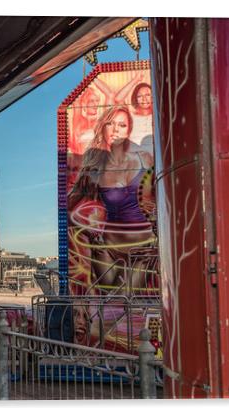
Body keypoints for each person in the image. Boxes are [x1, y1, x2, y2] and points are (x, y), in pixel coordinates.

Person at [68, 106, 155, 294]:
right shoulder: (94, 167)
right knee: (109, 303)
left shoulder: (144, 159)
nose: (116, 129)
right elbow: (66, 206)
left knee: (124, 301)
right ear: (103, 127)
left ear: (129, 130)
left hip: (142, 249)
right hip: (107, 249)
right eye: (111, 123)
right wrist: (88, 232)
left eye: (122, 125)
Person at [128, 82, 154, 153]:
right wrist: (135, 80)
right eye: (139, 96)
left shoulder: (158, 115)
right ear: (135, 98)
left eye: (148, 95)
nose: (144, 99)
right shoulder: (130, 116)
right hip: (134, 156)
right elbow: (117, 99)